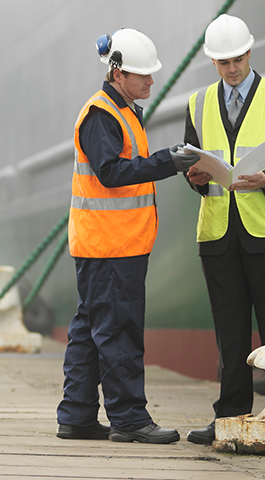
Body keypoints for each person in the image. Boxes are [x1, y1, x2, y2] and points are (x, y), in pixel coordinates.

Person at [180, 14, 265, 445]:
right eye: (223, 62)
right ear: (213, 62)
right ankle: (230, 418)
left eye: (237, 59)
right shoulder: (198, 104)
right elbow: (193, 164)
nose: (232, 68)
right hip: (218, 234)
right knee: (230, 332)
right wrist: (195, 179)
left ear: (250, 52)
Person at [56, 28, 198, 444]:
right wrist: (167, 162)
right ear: (118, 73)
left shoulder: (119, 110)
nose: (151, 80)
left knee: (90, 331)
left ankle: (77, 416)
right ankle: (130, 419)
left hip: (105, 244)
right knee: (119, 332)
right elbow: (111, 173)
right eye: (143, 74)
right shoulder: (103, 115)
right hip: (112, 246)